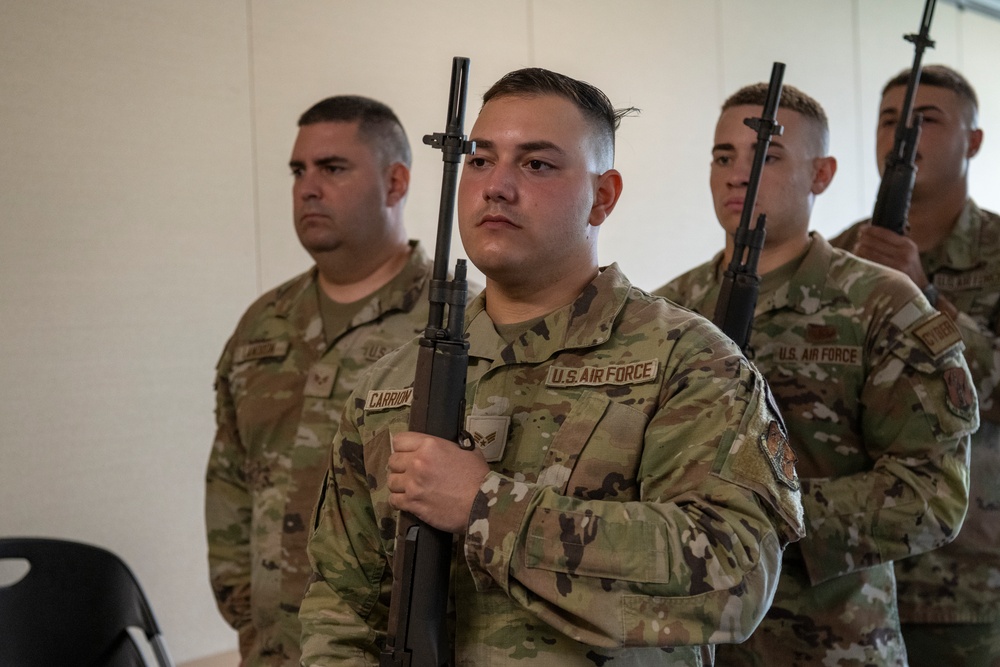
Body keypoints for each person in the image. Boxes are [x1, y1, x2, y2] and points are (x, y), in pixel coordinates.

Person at [299, 67, 806, 666]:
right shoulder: (390, 386)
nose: (497, 187)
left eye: (536, 164)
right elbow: (340, 603)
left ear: (604, 195)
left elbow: (735, 578)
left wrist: (486, 507)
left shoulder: (689, 363)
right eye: (481, 161)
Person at [655, 83, 976, 666]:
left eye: (766, 157)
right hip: (696, 642)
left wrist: (770, 519)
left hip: (834, 642)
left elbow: (934, 493)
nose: (737, 176)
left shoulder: (881, 304)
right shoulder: (669, 313)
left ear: (821, 174)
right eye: (723, 156)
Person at [205, 95, 437, 666]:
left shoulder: (450, 327)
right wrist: (248, 612)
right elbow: (230, 479)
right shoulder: (265, 321)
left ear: (395, 182)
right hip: (272, 651)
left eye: (332, 168)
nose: (308, 187)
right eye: (297, 171)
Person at [831, 64, 1000, 666]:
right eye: (889, 122)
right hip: (849, 570)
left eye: (926, 121)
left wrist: (923, 298)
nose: (902, 137)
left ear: (973, 140)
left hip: (969, 582)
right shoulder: (839, 255)